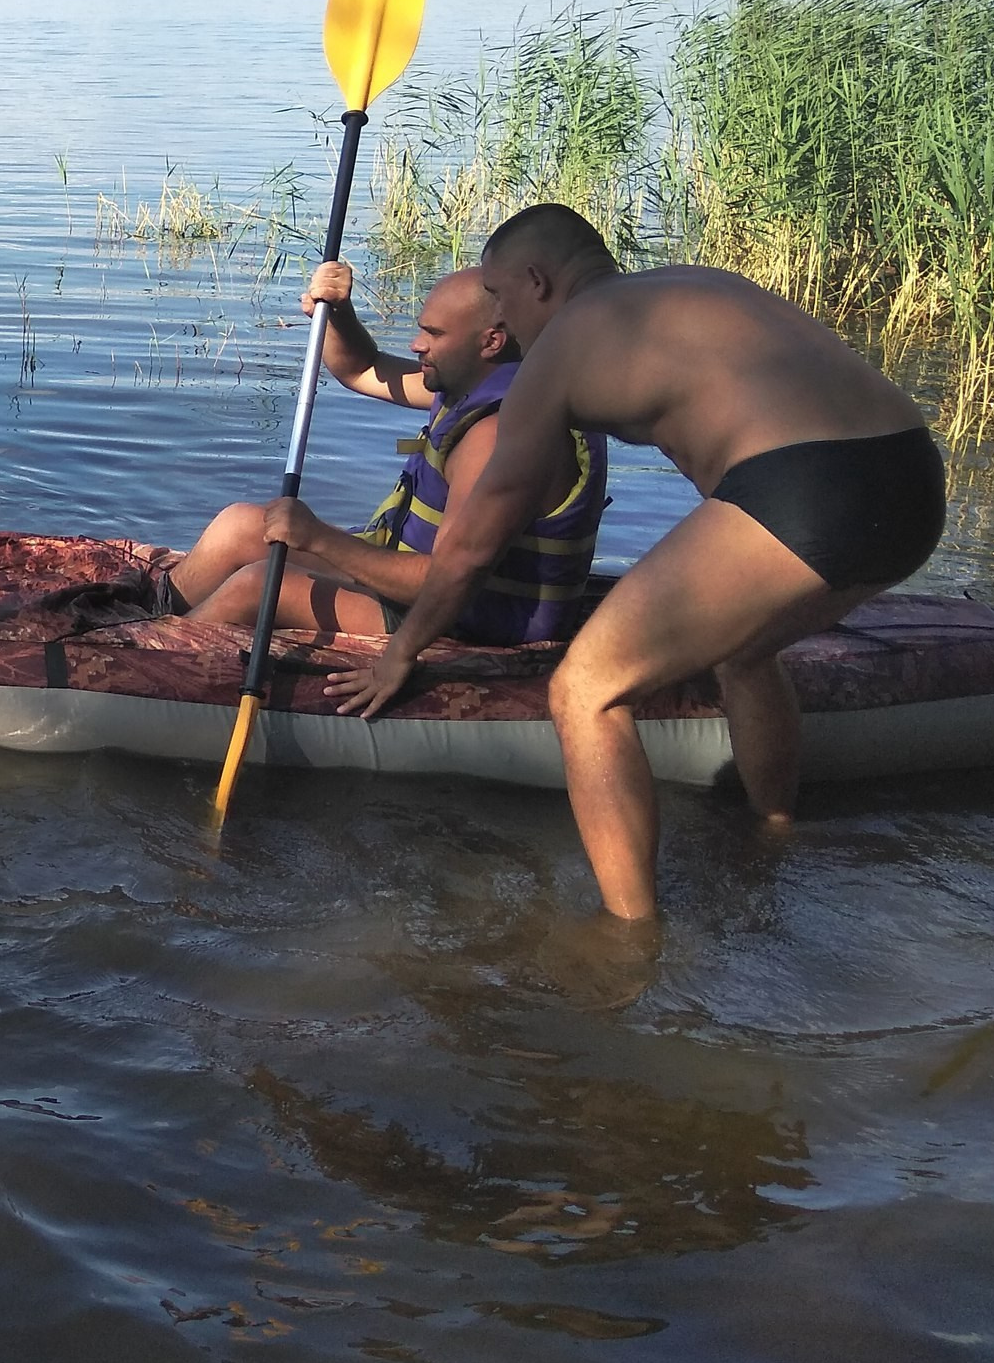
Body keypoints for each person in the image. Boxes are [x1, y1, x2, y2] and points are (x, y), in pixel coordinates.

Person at [327, 203, 947, 922]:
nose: (497, 313)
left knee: (587, 689)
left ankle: (630, 939)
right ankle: (773, 830)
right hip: (913, 478)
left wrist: (401, 650)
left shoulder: (557, 353)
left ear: (537, 280)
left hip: (804, 490)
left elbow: (468, 548)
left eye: (497, 294)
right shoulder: (695, 286)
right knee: (746, 651)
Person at [167, 260, 607, 644]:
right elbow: (361, 369)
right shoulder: (467, 381)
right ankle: (148, 614)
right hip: (409, 575)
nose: (417, 344)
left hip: (466, 618)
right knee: (240, 527)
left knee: (259, 586)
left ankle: (152, 662)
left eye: (433, 334)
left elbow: (445, 581)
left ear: (491, 342)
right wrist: (339, 315)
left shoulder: (494, 436)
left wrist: (318, 537)